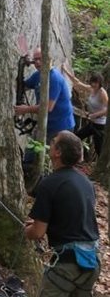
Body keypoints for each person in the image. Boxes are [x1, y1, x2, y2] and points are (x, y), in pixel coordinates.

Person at [24, 131, 100, 296]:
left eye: (53, 141)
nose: (50, 143)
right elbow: (74, 217)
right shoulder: (86, 183)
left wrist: (26, 231)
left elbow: (38, 232)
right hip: (92, 262)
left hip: (68, 265)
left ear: (58, 152)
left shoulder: (49, 183)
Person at [14, 48, 75, 143]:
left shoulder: (55, 78)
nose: (37, 62)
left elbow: (47, 107)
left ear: (49, 59)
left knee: (50, 155)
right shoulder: (38, 75)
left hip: (61, 127)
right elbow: (24, 86)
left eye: (40, 59)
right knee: (31, 154)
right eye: (35, 59)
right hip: (46, 124)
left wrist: (26, 109)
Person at [62, 66, 108, 157]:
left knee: (99, 149)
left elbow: (107, 110)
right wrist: (66, 70)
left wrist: (95, 115)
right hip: (92, 123)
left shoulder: (102, 93)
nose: (94, 85)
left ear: (100, 83)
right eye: (93, 82)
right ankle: (74, 157)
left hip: (100, 126)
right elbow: (77, 83)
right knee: (77, 136)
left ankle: (101, 169)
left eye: (96, 83)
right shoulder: (91, 89)